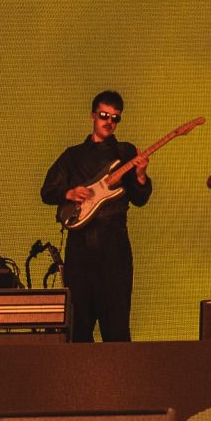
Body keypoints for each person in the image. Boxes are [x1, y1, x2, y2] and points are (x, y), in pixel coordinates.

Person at [40, 90, 150, 342]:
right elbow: (47, 191)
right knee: (79, 325)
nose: (109, 121)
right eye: (104, 115)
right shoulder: (72, 156)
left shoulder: (125, 152)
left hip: (115, 246)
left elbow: (140, 198)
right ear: (93, 115)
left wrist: (141, 175)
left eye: (115, 117)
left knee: (117, 326)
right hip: (80, 247)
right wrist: (69, 192)